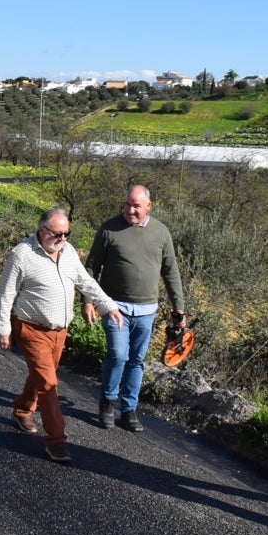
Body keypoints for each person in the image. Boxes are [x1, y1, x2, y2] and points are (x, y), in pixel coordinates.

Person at [0, 207, 123, 464]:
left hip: (60, 330)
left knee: (42, 376)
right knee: (50, 384)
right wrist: (3, 329)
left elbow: (86, 282)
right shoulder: (22, 255)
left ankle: (22, 409)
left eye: (66, 234)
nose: (63, 239)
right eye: (58, 234)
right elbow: (4, 294)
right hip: (31, 328)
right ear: (42, 230)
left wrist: (108, 305)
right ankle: (56, 441)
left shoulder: (69, 252)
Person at [85, 184, 185, 433]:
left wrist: (179, 308)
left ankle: (129, 410)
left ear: (148, 206)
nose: (130, 210)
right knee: (118, 354)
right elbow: (91, 267)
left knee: (137, 360)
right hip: (113, 305)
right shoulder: (109, 228)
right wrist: (88, 300)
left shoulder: (161, 232)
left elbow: (171, 272)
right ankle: (107, 402)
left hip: (146, 309)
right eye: (127, 204)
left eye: (136, 206)